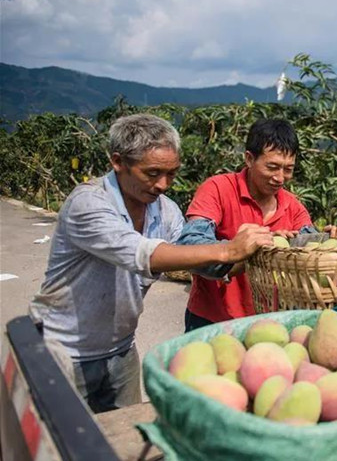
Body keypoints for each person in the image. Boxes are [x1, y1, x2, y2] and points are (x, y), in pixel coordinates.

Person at [29, 114, 273, 413]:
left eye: (172, 174)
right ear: (118, 162)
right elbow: (143, 254)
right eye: (152, 172)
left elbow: (195, 261)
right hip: (61, 350)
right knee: (59, 450)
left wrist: (257, 256)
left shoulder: (166, 211)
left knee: (124, 444)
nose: (163, 184)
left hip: (120, 351)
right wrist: (229, 250)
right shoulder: (89, 203)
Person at [178, 118, 337, 331]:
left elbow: (310, 261)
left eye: (288, 169)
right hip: (210, 321)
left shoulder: (294, 207)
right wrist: (240, 250)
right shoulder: (217, 189)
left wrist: (333, 243)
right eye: (272, 167)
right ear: (250, 159)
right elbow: (189, 246)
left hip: (269, 325)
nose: (280, 178)